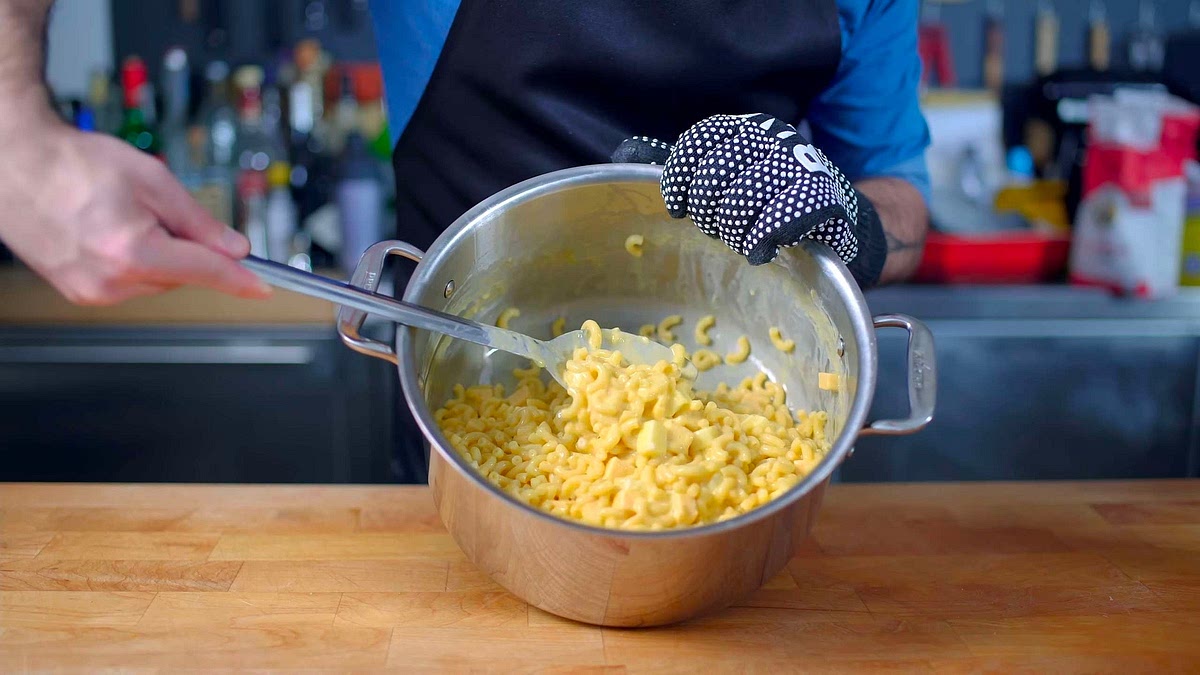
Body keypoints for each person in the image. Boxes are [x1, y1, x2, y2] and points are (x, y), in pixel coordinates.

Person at [0, 0, 928, 305]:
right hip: (471, 425)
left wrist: (848, 222)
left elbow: (905, 210)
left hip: (760, 448)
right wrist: (16, 137)